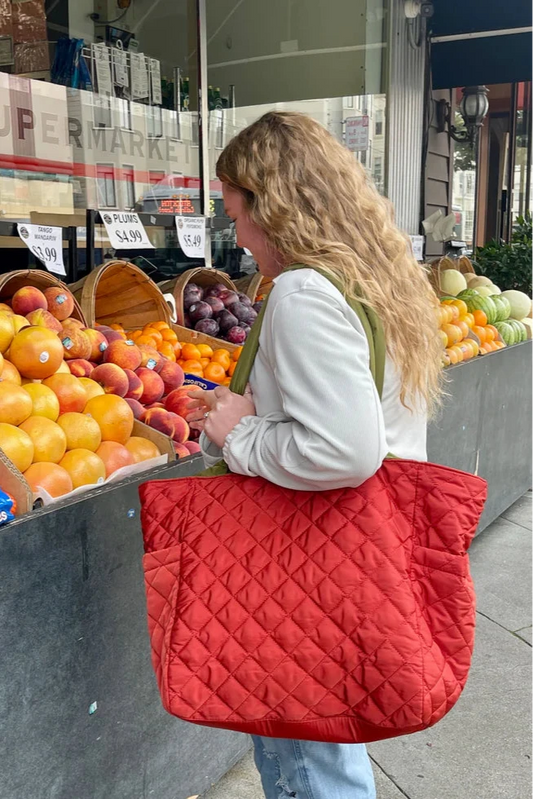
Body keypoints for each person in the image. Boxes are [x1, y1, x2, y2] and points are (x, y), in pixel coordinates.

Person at [187, 111, 442, 799]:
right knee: (330, 744)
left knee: (308, 757)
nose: (235, 237)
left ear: (275, 208)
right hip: (364, 547)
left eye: (237, 214)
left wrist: (236, 432)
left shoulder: (302, 290)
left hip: (307, 553)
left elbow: (342, 449)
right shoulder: (374, 278)